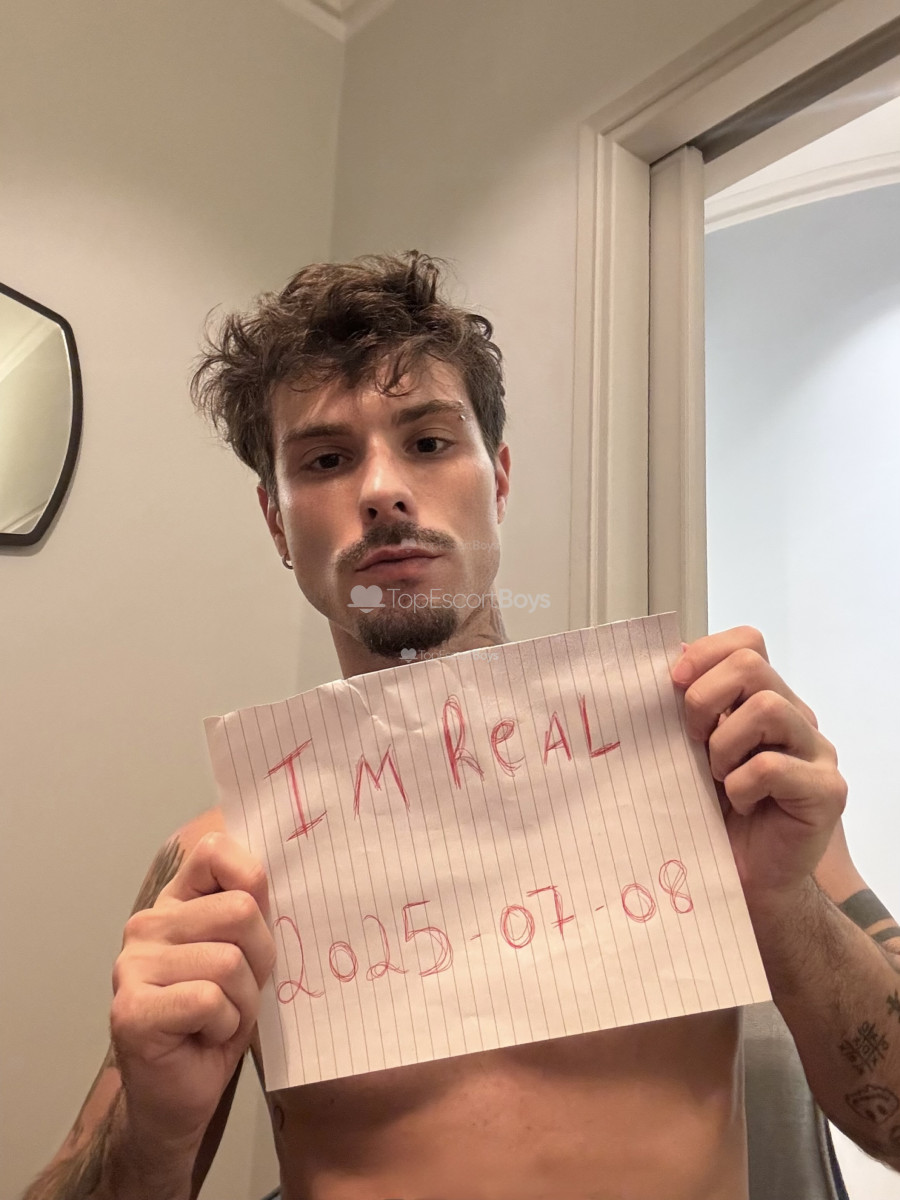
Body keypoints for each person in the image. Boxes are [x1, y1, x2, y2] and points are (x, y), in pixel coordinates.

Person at [24, 253, 900, 1200]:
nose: (383, 489)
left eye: (431, 441)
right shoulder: (218, 867)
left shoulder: (724, 766)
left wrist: (783, 902)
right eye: (326, 460)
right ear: (277, 523)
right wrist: (155, 1128)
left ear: (500, 479)